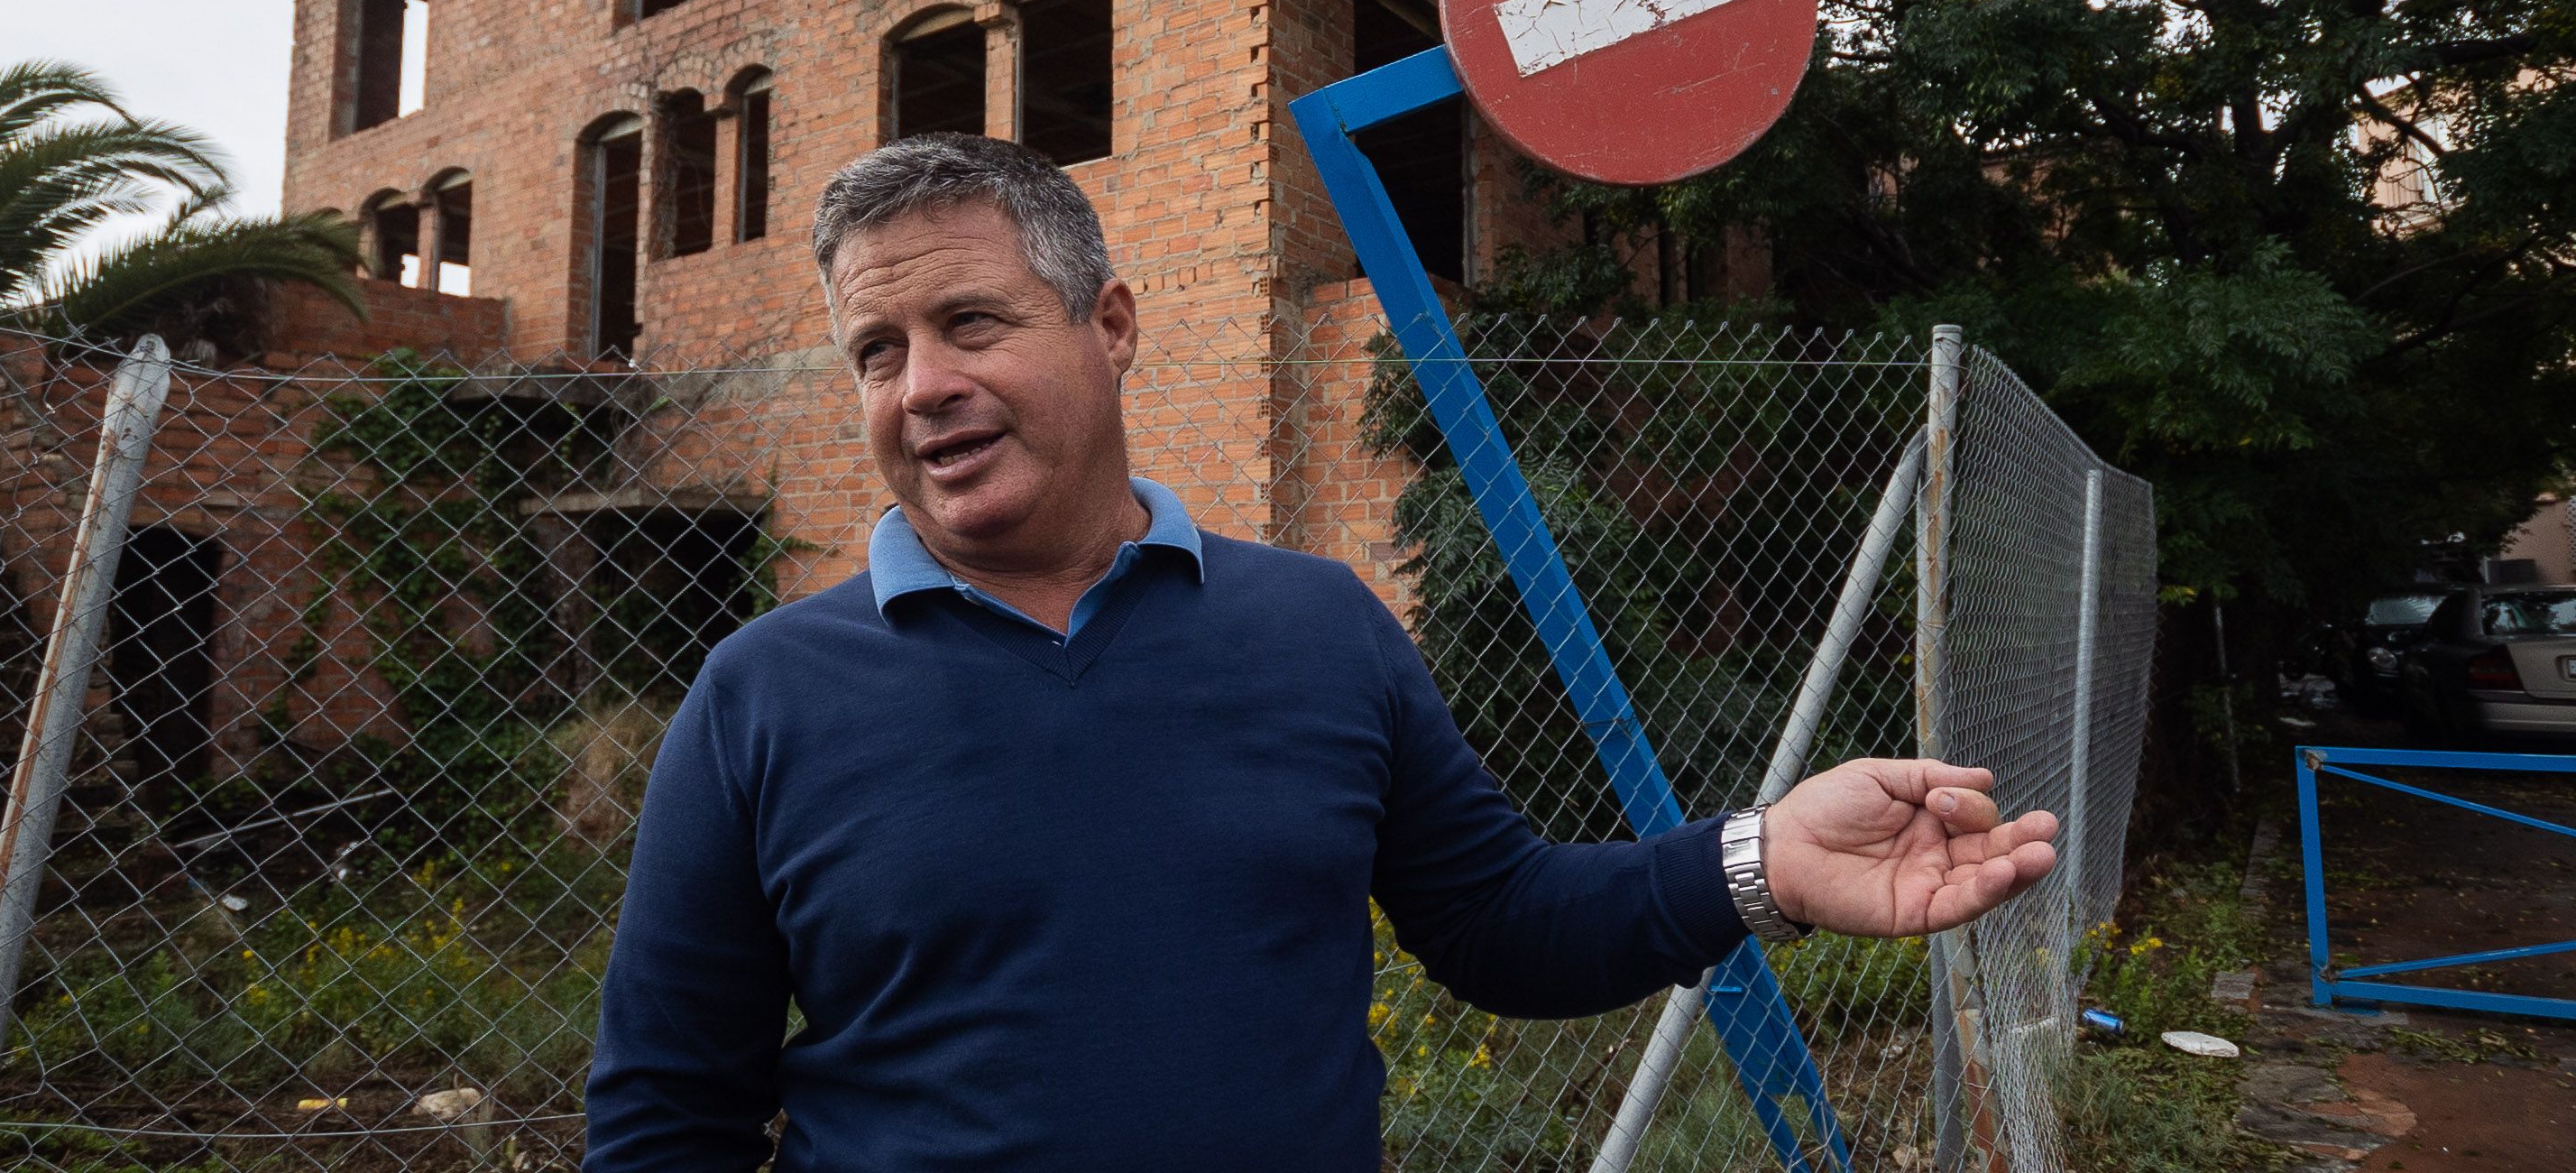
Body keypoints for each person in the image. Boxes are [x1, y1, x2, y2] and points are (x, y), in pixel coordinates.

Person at [585, 134, 2057, 1172]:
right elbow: (666, 1115)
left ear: (1110, 327)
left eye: (971, 321)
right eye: (877, 352)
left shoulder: (1313, 628)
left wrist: (1764, 863)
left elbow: (1499, 920)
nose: (925, 388)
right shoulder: (763, 696)